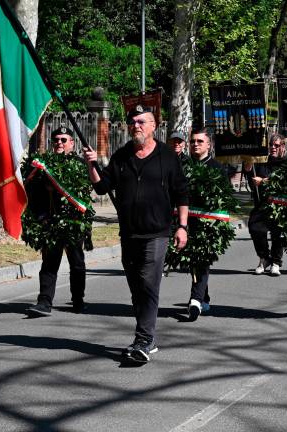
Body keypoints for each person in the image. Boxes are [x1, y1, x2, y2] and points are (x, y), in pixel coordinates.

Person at [83, 104, 189, 363]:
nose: (136, 126)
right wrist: (92, 164)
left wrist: (182, 226)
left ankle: (144, 339)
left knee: (148, 284)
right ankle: (146, 338)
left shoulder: (167, 156)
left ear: (154, 126)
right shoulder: (122, 156)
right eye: (133, 122)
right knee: (136, 288)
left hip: (157, 233)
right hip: (129, 233)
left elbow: (181, 193)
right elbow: (102, 187)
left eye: (142, 122)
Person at [26, 127, 90, 317]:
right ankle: (44, 302)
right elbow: (33, 193)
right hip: (50, 221)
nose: (59, 143)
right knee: (49, 263)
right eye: (56, 140)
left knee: (77, 263)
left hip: (73, 222)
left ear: (72, 143)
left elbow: (87, 191)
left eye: (63, 139)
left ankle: (78, 300)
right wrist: (40, 217)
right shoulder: (43, 166)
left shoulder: (81, 165)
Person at [185, 128, 230, 321]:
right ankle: (204, 297)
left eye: (200, 141)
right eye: (193, 141)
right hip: (187, 222)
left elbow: (226, 196)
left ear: (209, 145)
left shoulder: (217, 168)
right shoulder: (184, 166)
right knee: (193, 262)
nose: (195, 144)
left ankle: (195, 300)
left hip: (209, 224)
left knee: (201, 260)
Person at [246, 133, 287, 276]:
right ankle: (264, 258)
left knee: (278, 233)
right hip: (262, 203)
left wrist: (263, 181)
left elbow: (284, 180)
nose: (273, 148)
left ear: (283, 146)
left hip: (280, 205)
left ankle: (276, 262)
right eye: (271, 145)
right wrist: (248, 169)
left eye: (276, 145)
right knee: (254, 227)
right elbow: (252, 180)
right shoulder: (262, 161)